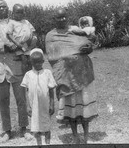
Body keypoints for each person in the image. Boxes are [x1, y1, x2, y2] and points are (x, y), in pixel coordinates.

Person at [45, 8, 98, 144]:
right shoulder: (51, 36)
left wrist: (90, 48)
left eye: (64, 17)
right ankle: (75, 136)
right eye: (59, 17)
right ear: (54, 19)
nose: (62, 20)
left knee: (84, 107)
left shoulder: (75, 30)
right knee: (71, 110)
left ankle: (86, 136)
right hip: (66, 76)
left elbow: (89, 41)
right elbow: (52, 57)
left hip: (83, 73)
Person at [0, 0, 32, 142]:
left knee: (21, 100)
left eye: (4, 7)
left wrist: (23, 46)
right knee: (3, 101)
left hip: (16, 66)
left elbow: (30, 37)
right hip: (0, 68)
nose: (2, 10)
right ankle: (7, 130)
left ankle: (24, 129)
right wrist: (4, 46)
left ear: (8, 9)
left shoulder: (18, 23)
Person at [56, 15, 96, 120]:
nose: (84, 25)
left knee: (84, 88)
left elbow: (90, 41)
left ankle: (84, 113)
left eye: (86, 23)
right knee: (73, 88)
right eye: (82, 23)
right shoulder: (75, 31)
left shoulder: (90, 31)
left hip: (83, 64)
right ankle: (73, 113)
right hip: (72, 63)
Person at [21, 48, 57, 145]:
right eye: (35, 62)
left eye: (39, 62)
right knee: (36, 127)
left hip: (45, 105)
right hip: (34, 106)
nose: (37, 65)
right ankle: (39, 144)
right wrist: (28, 106)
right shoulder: (28, 75)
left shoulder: (47, 73)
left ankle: (48, 143)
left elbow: (51, 90)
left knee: (46, 126)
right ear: (31, 62)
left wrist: (52, 104)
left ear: (43, 61)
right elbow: (26, 91)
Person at [6, 3, 37, 74]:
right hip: (19, 45)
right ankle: (25, 75)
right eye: (17, 13)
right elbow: (9, 35)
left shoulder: (26, 22)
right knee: (24, 59)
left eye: (21, 12)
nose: (20, 14)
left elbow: (33, 31)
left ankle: (30, 74)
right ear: (13, 13)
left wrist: (33, 38)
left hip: (28, 44)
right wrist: (17, 43)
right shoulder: (12, 23)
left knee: (30, 59)